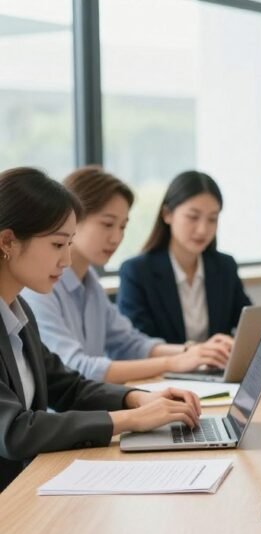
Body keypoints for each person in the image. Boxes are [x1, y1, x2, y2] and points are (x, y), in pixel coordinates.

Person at [0, 168, 202, 491]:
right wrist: (127, 421)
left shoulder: (19, 313)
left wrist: (138, 399)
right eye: (57, 245)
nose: (66, 260)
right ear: (8, 241)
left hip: (26, 487)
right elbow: (13, 431)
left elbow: (68, 386)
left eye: (69, 244)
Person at [22, 166, 233, 384]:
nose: (116, 238)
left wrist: (193, 351)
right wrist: (173, 362)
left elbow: (129, 343)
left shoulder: (89, 280)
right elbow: (74, 367)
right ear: (73, 219)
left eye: (123, 227)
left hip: (89, 407)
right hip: (66, 415)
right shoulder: (40, 287)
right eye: (107, 224)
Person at [118, 170, 251, 344]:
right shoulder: (137, 271)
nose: (203, 229)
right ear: (167, 214)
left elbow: (249, 324)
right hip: (165, 370)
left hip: (218, 369)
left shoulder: (225, 266)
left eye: (212, 219)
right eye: (193, 217)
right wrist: (196, 354)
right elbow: (138, 343)